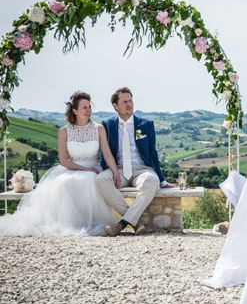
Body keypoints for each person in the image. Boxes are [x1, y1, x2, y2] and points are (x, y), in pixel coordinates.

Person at [0, 91, 119, 236]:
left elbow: (107, 153)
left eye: (89, 107)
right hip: (71, 168)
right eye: (84, 107)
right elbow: (63, 160)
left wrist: (115, 171)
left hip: (93, 168)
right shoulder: (64, 131)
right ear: (75, 110)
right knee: (64, 183)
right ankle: (69, 224)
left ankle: (88, 222)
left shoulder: (98, 128)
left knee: (90, 180)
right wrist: (84, 169)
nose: (88, 110)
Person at [97, 87, 174, 237]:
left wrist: (162, 181)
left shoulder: (146, 124)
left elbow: (153, 153)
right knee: (101, 179)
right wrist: (105, 170)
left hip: (142, 169)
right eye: (124, 101)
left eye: (130, 100)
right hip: (118, 169)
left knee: (152, 181)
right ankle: (135, 222)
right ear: (115, 105)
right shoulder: (107, 124)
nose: (129, 104)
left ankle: (122, 224)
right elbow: (104, 153)